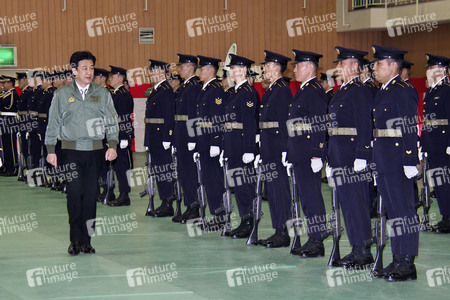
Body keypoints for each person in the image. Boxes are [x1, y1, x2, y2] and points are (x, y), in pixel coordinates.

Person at [45, 51, 119, 255]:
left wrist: (112, 144)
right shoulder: (61, 94)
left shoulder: (102, 93)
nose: (89, 72)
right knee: (74, 195)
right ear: (74, 70)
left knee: (90, 196)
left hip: (95, 152)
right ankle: (74, 240)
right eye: (85, 68)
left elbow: (111, 121)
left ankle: (86, 240)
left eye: (92, 68)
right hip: (70, 152)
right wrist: (51, 149)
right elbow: (53, 123)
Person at [371, 45, 420, 281]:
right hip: (384, 157)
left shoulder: (403, 90)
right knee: (393, 211)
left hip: (399, 158)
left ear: (393, 65)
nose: (374, 68)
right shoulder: (382, 91)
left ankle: (407, 263)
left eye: (379, 64)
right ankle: (398, 257)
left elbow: (409, 125)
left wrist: (411, 158)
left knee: (404, 211)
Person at [327, 47, 373, 268]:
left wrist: (362, 154)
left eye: (341, 64)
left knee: (357, 204)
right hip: (339, 155)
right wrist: (330, 158)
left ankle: (363, 251)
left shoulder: (359, 90)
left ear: (354, 66)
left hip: (352, 157)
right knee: (347, 204)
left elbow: (364, 123)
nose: (337, 68)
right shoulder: (342, 90)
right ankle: (355, 248)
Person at [287, 50, 328, 257]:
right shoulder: (303, 90)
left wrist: (316, 153)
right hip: (299, 152)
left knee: (312, 197)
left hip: (307, 153)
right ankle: (313, 237)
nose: (294, 70)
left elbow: (319, 123)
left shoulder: (314, 91)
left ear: (310, 67)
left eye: (298, 66)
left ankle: (317, 240)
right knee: (306, 197)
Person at [254, 50, 292, 248]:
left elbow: (284, 122)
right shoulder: (272, 89)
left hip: (277, 147)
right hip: (269, 146)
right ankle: (278, 228)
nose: (264, 70)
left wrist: (285, 148)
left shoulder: (282, 90)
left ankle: (283, 231)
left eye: (267, 66)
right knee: (273, 190)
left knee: (280, 190)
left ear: (276, 68)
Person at [220, 54, 258, 238]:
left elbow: (249, 123)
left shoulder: (248, 93)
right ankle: (244, 218)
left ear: (243, 70)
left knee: (245, 185)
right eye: (231, 70)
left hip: (243, 147)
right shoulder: (234, 92)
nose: (231, 73)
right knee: (238, 183)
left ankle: (250, 221)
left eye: (234, 69)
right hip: (233, 145)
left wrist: (250, 149)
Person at [189, 55, 227, 230]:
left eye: (202, 69)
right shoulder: (204, 89)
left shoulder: (216, 90)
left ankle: (220, 216)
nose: (199, 72)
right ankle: (216, 214)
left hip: (210, 142)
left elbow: (217, 118)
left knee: (214, 180)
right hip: (203, 141)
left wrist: (215, 142)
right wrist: (197, 143)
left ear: (211, 70)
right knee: (208, 180)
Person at [420, 54, 450, 233]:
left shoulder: (447, 89)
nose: (428, 71)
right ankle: (446, 216)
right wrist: (423, 144)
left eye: (431, 68)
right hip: (433, 144)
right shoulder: (432, 90)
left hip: (443, 145)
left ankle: (448, 218)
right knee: (438, 183)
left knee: (445, 182)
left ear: (442, 70)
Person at [172, 54, 202, 223]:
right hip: (181, 135)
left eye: (182, 67)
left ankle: (194, 206)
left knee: (190, 173)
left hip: (187, 137)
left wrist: (192, 138)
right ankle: (189, 204)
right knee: (184, 172)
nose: (179, 70)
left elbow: (192, 115)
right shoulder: (185, 87)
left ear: (190, 68)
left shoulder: (193, 88)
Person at [144, 59, 176, 217]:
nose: (151, 74)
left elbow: (169, 115)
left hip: (161, 136)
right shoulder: (156, 90)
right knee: (158, 169)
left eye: (154, 71)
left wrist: (167, 137)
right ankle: (163, 200)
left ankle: (167, 202)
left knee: (164, 170)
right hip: (154, 136)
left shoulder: (166, 90)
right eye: (150, 71)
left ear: (162, 73)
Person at [106, 66, 134, 207]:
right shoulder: (115, 94)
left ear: (120, 78)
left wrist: (124, 137)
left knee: (123, 166)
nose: (110, 78)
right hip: (114, 134)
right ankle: (120, 193)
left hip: (120, 135)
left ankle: (125, 194)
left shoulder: (123, 94)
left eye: (113, 76)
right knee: (117, 166)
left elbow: (124, 118)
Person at [0, 75, 19, 176]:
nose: (2, 85)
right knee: (5, 145)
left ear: (10, 83)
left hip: (10, 120)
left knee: (11, 145)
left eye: (4, 83)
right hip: (4, 120)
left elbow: (8, 105)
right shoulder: (5, 93)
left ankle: (13, 168)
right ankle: (6, 166)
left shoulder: (12, 93)